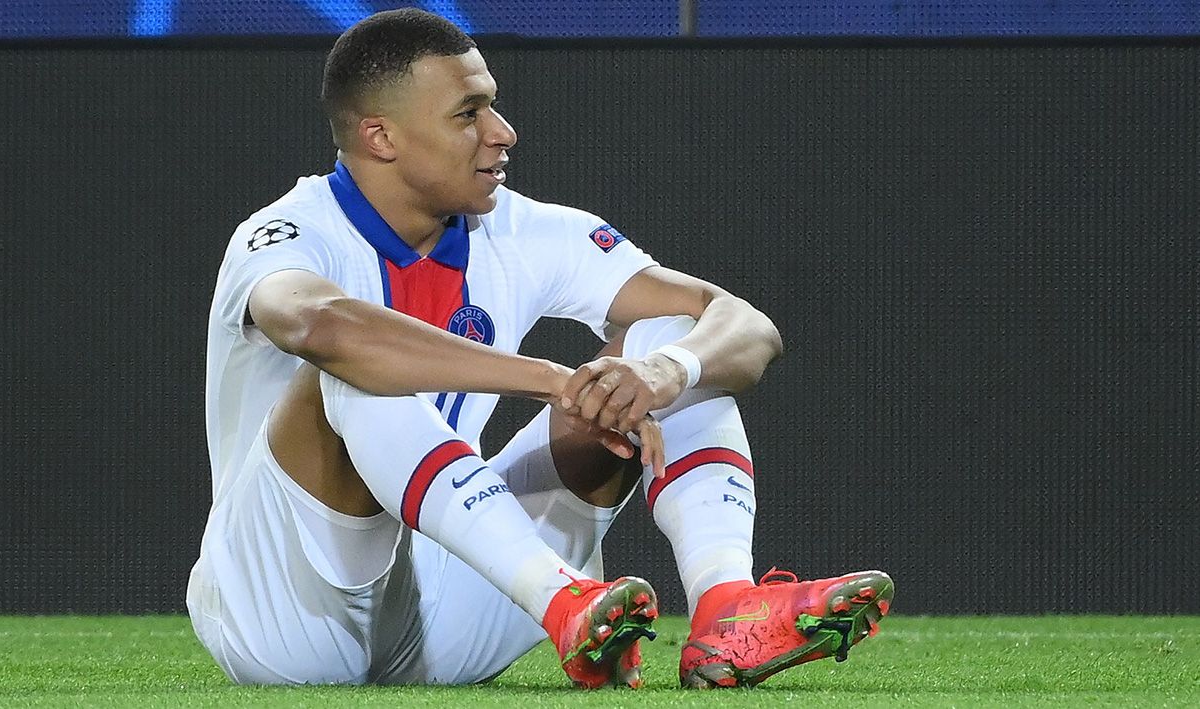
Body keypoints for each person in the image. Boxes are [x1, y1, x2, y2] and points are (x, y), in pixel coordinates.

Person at [187, 7, 893, 689]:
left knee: (668, 338)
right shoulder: (288, 231)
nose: (502, 132)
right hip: (283, 621)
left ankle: (726, 606)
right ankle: (563, 601)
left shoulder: (523, 232)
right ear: (381, 136)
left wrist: (663, 370)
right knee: (351, 373)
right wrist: (550, 378)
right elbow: (321, 328)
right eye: (468, 113)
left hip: (450, 620)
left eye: (492, 106)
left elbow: (745, 323)